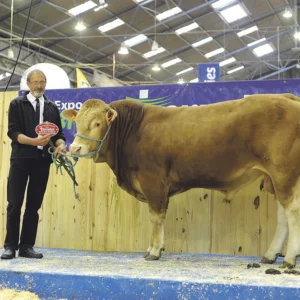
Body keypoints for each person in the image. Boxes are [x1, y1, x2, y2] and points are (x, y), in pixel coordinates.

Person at [1, 69, 67, 259]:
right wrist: (33, 141)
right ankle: (10, 246)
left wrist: (60, 146)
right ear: (28, 84)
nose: (39, 85)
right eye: (36, 82)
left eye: (43, 82)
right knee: (14, 204)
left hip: (42, 162)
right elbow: (12, 132)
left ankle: (26, 246)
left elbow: (59, 135)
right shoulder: (16, 104)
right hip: (20, 159)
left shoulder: (52, 107)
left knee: (33, 206)